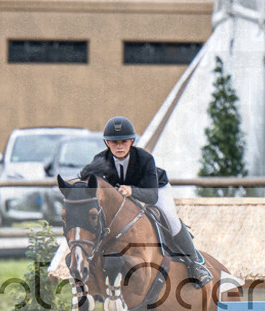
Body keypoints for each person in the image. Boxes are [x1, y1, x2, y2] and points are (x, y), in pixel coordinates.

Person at [87, 116, 213, 288]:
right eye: (114, 142)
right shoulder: (99, 160)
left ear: (132, 141)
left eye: (124, 141)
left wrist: (132, 191)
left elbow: (152, 197)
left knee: (170, 219)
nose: (119, 146)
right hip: (122, 199)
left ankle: (195, 264)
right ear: (106, 143)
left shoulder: (145, 158)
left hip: (155, 190)